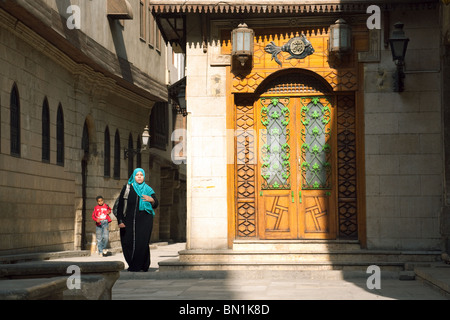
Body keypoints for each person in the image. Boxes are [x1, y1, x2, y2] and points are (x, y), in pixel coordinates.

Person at [116, 168, 159, 272]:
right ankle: (133, 262)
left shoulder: (148, 189)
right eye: (137, 175)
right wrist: (120, 220)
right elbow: (120, 205)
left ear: (144, 177)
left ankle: (139, 265)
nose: (139, 176)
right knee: (127, 242)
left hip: (145, 220)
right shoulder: (127, 189)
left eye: (141, 175)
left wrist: (152, 200)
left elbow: (156, 204)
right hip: (128, 221)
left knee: (142, 243)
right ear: (133, 176)